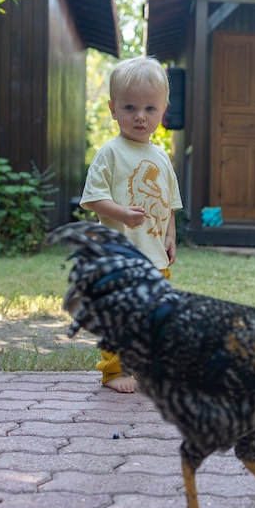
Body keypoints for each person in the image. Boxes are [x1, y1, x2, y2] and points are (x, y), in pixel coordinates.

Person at [79, 56, 183, 392]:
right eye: (130, 107)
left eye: (150, 108)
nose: (140, 116)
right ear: (113, 109)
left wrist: (170, 236)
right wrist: (122, 213)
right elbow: (93, 198)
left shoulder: (161, 157)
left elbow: (169, 203)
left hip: (154, 257)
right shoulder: (110, 153)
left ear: (163, 110)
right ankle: (114, 371)